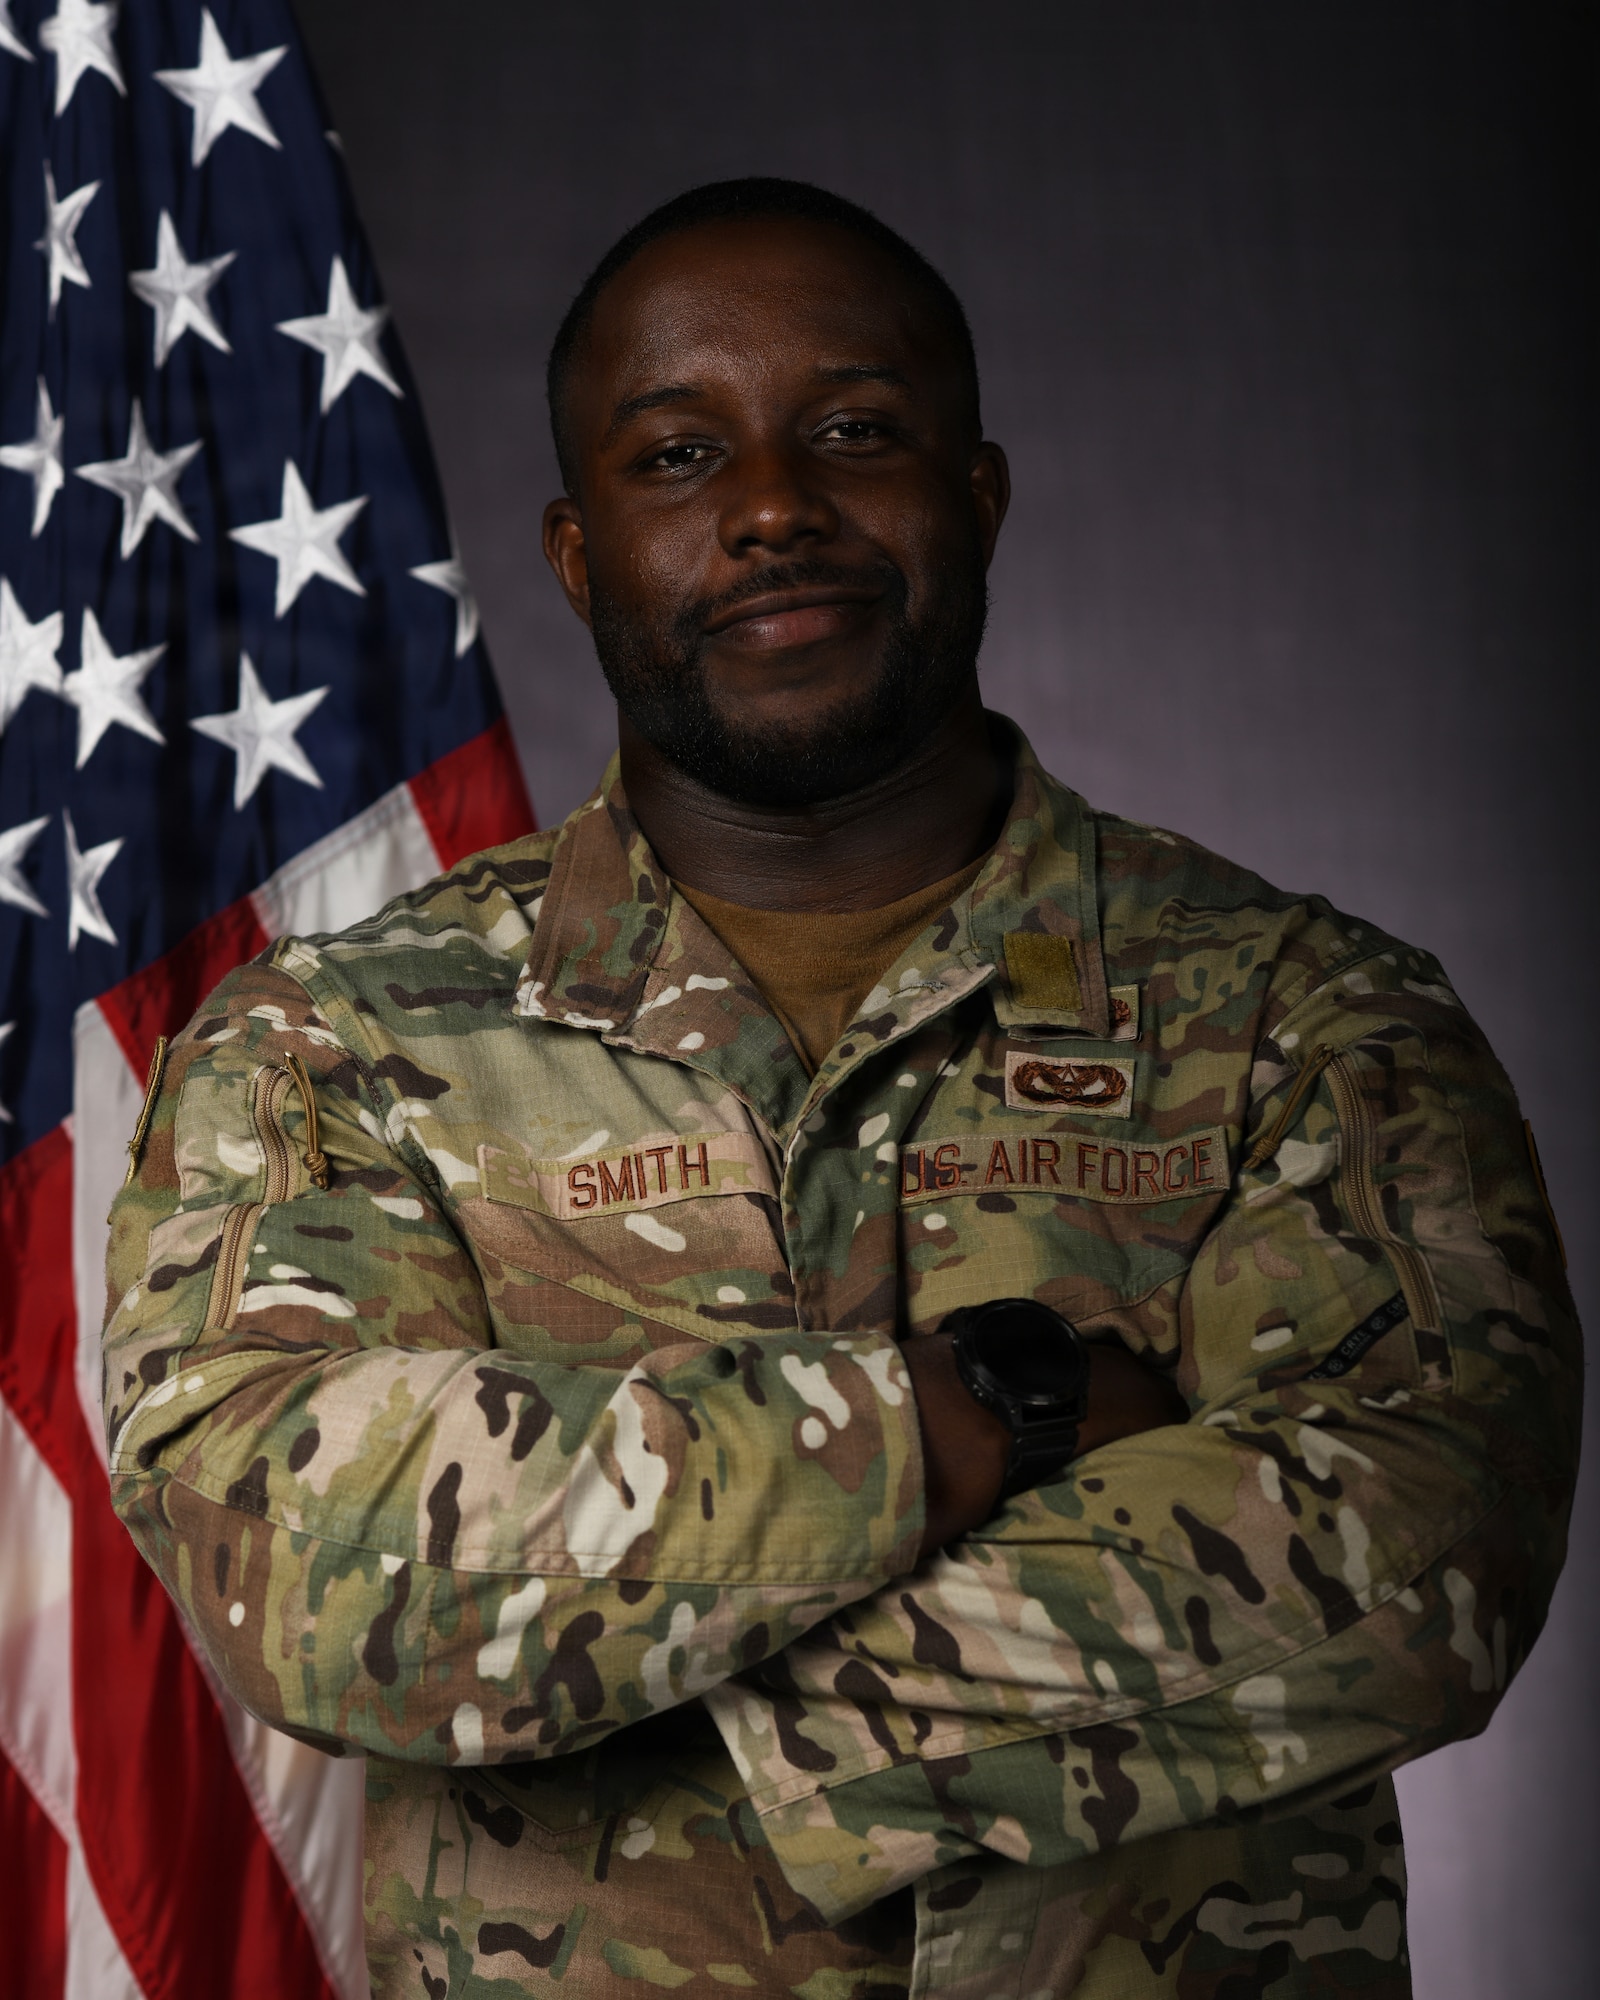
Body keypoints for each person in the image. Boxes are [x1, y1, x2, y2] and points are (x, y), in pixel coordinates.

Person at [103, 179, 1578, 1999]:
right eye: (676, 457)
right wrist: (967, 1420)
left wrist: (633, 1674)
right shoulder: (331, 1046)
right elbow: (293, 1570)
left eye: (857, 434)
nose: (775, 510)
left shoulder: (1307, 1017)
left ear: (977, 497)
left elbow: (1432, 1549)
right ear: (579, 558)